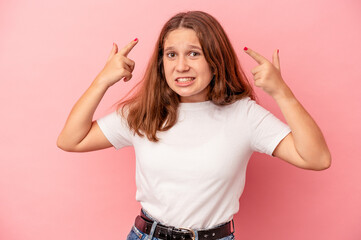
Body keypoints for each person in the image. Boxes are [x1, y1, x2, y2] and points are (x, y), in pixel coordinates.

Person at [57, 11, 331, 240]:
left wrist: (282, 93)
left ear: (215, 59)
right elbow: (71, 140)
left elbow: (316, 158)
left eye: (194, 54)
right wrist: (102, 81)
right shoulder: (145, 113)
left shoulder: (244, 115)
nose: (181, 66)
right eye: (171, 55)